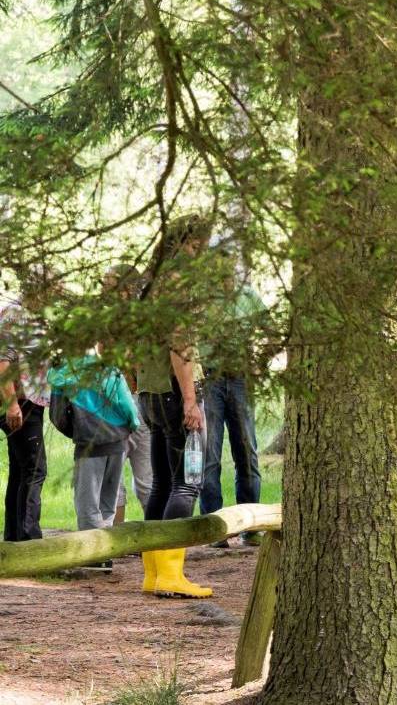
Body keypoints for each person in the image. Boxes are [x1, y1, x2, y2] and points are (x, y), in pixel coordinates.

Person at [136, 215, 216, 598]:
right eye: (198, 246)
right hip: (175, 392)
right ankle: (170, 573)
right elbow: (180, 344)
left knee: (162, 483)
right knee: (187, 482)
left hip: (150, 394)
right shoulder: (179, 283)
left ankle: (153, 573)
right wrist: (190, 401)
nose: (201, 254)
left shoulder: (148, 284)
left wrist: (138, 385)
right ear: (184, 244)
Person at [49, 354, 142, 570]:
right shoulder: (109, 368)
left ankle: (93, 555)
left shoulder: (61, 373)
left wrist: (77, 432)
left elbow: (57, 416)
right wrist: (131, 426)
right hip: (118, 441)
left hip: (89, 444)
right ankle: (105, 550)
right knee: (108, 501)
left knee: (87, 502)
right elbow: (127, 405)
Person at [199, 267, 267, 547]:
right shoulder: (201, 298)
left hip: (240, 378)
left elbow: (271, 330)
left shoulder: (248, 296)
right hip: (210, 379)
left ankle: (250, 527)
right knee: (210, 455)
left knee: (247, 452)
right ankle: (214, 529)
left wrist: (261, 362)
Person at [101, 265, 153, 525]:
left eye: (110, 285)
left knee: (143, 478)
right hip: (119, 402)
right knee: (118, 477)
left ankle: (155, 536)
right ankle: (117, 536)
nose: (104, 290)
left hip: (133, 400)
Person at [1, 278, 51, 543]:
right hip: (19, 403)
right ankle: (31, 540)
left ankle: (15, 538)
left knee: (21, 469)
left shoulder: (33, 315)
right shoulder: (15, 315)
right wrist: (12, 404)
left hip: (29, 402)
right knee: (35, 470)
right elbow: (3, 361)